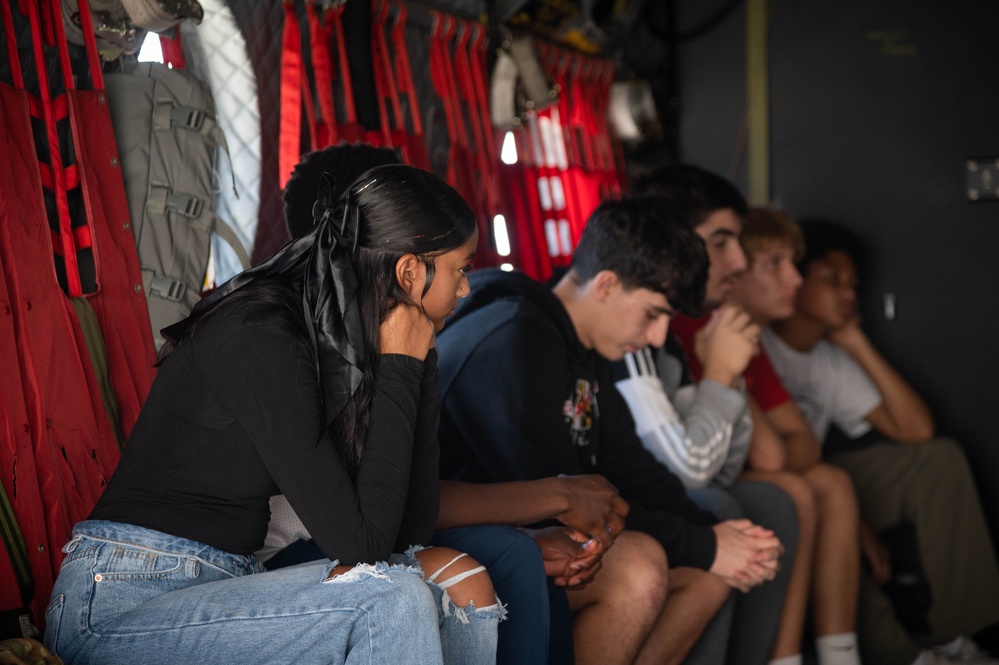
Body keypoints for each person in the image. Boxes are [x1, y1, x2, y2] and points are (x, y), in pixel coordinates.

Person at [43, 163, 503, 664]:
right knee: (390, 599)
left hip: (219, 586)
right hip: (122, 599)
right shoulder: (262, 332)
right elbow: (361, 547)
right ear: (410, 271)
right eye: (461, 268)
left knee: (444, 588)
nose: (465, 289)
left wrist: (419, 363)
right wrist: (399, 368)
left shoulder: (347, 342)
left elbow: (410, 535)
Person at [436, 194, 784, 665]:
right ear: (605, 284)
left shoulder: (588, 351)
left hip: (534, 533)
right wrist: (705, 544)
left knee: (707, 575)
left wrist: (717, 538)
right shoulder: (514, 337)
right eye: (654, 314)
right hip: (464, 538)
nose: (658, 338)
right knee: (639, 567)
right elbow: (556, 499)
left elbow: (630, 467)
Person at [622, 165, 860, 665]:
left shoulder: (720, 326)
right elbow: (765, 457)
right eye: (725, 243)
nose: (737, 262)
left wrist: (726, 374)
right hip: (656, 486)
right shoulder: (676, 326)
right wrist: (724, 372)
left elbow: (788, 448)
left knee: (818, 483)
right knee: (782, 492)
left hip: (686, 472)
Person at [738, 216, 999, 665]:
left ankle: (958, 636)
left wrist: (854, 340)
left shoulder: (829, 357)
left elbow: (917, 430)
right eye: (833, 279)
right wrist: (854, 523)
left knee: (937, 458)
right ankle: (900, 655)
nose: (848, 294)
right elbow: (761, 458)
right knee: (828, 491)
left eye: (853, 284)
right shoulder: (752, 339)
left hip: (818, 472)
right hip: (782, 483)